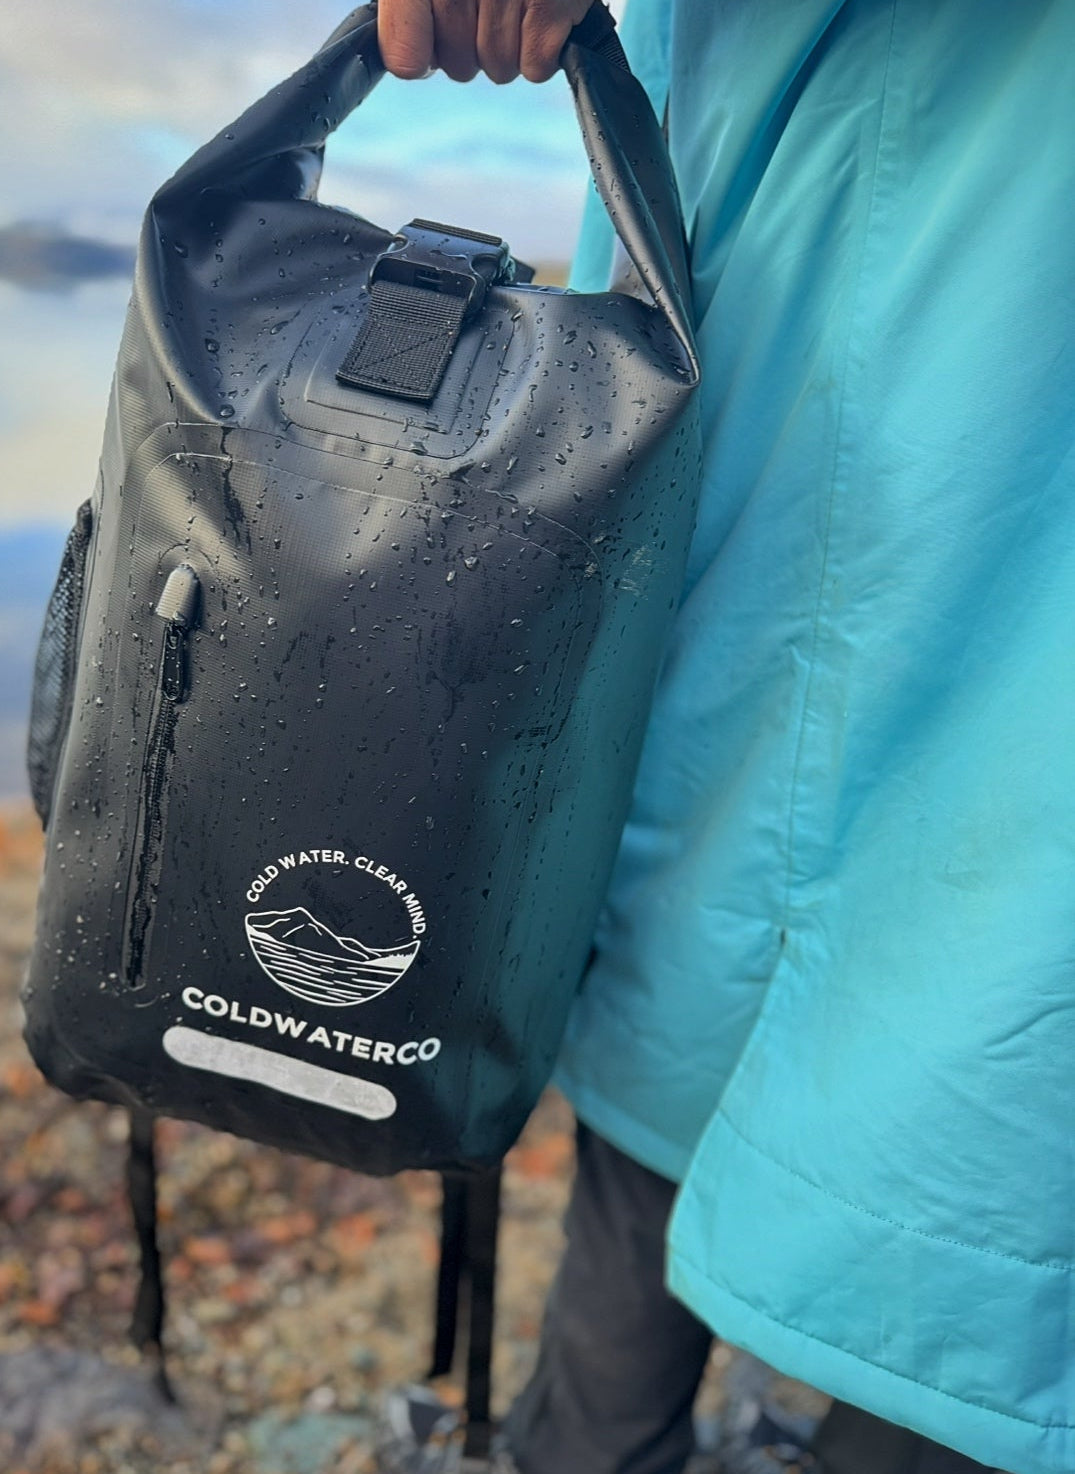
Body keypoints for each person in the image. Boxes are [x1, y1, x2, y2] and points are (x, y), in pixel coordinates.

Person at [377, 3, 1075, 1474]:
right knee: (780, 932)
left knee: (906, 1001)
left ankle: (614, 1437)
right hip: (837, 262)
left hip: (913, 287)